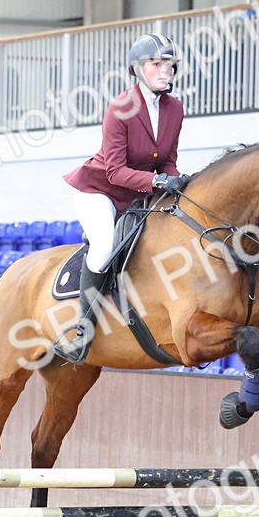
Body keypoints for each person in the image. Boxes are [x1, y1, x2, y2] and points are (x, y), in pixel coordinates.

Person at [56, 33, 189, 363]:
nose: (165, 71)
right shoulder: (119, 109)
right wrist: (156, 180)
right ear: (138, 69)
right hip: (100, 191)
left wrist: (173, 181)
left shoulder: (174, 108)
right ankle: (81, 330)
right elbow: (114, 171)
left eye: (169, 65)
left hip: (139, 194)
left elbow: (167, 157)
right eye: (156, 64)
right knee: (103, 246)